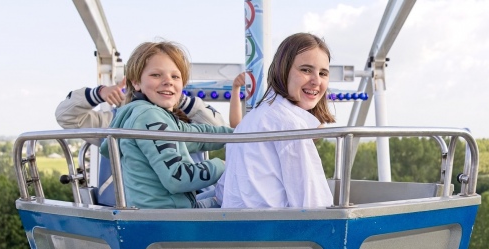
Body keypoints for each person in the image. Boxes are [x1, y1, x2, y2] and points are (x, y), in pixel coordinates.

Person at [56, 59, 244, 207]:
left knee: (236, 193)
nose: (167, 82)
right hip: (151, 206)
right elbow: (67, 116)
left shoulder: (182, 119)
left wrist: (176, 100)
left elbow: (217, 128)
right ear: (137, 82)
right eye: (155, 75)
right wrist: (99, 93)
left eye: (175, 77)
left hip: (189, 195)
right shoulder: (118, 122)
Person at [216, 33, 335, 209]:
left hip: (240, 229)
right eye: (306, 70)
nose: (316, 81)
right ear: (283, 71)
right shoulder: (289, 126)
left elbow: (223, 191)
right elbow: (314, 205)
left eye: (323, 73)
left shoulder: (254, 117)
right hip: (274, 232)